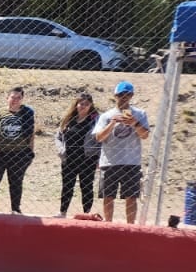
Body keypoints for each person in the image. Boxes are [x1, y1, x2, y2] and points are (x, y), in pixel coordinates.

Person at [93, 81, 152, 224]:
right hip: (109, 161)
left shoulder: (139, 114)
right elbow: (99, 137)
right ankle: (108, 224)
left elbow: (144, 135)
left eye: (127, 95)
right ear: (115, 95)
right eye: (120, 95)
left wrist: (134, 123)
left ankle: (130, 226)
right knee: (108, 196)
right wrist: (112, 123)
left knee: (131, 197)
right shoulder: (106, 116)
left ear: (132, 96)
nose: (123, 98)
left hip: (131, 161)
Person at [0, 87, 35, 215]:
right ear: (7, 98)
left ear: (22, 99)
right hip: (0, 153)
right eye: (13, 97)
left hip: (19, 153)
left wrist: (30, 152)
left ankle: (15, 208)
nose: (15, 100)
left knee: (16, 182)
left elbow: (31, 134)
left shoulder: (27, 114)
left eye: (18, 98)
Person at [56, 93, 101, 217]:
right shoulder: (69, 119)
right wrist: (60, 150)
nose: (83, 106)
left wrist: (99, 157)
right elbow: (58, 136)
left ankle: (86, 214)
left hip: (88, 159)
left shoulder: (95, 120)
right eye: (81, 103)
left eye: (87, 104)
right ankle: (62, 212)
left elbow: (101, 139)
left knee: (86, 186)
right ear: (76, 104)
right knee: (67, 186)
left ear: (91, 105)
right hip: (69, 158)